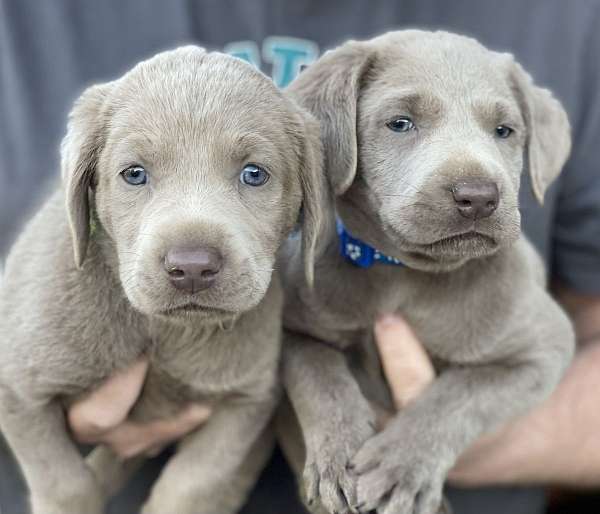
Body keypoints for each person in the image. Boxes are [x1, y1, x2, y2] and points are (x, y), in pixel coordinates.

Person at [1, 1, 599, 513]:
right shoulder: (25, 21)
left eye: (503, 133)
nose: (478, 182)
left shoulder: (565, 19)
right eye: (399, 122)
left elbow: (570, 335)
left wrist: (441, 439)